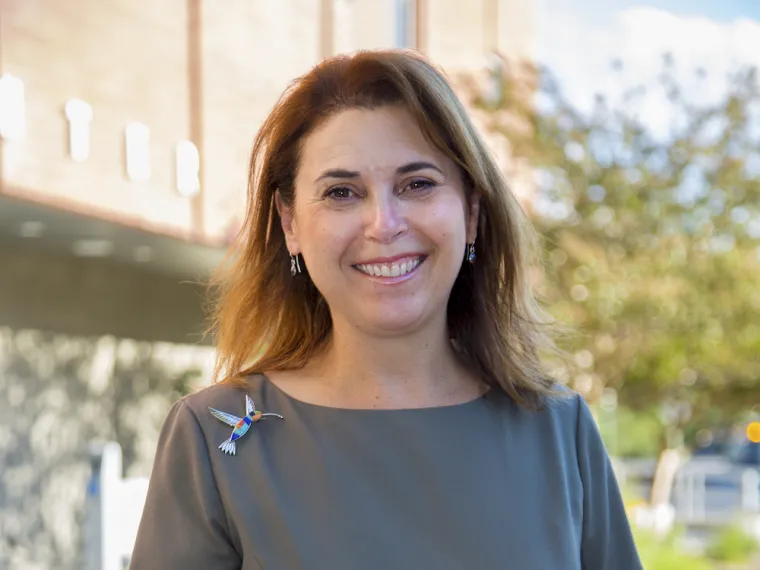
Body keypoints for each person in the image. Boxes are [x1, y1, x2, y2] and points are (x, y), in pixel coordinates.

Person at [130, 49, 642, 570]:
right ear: (290, 225)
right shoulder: (215, 441)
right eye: (342, 192)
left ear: (471, 209)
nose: (384, 224)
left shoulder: (558, 431)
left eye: (416, 184)